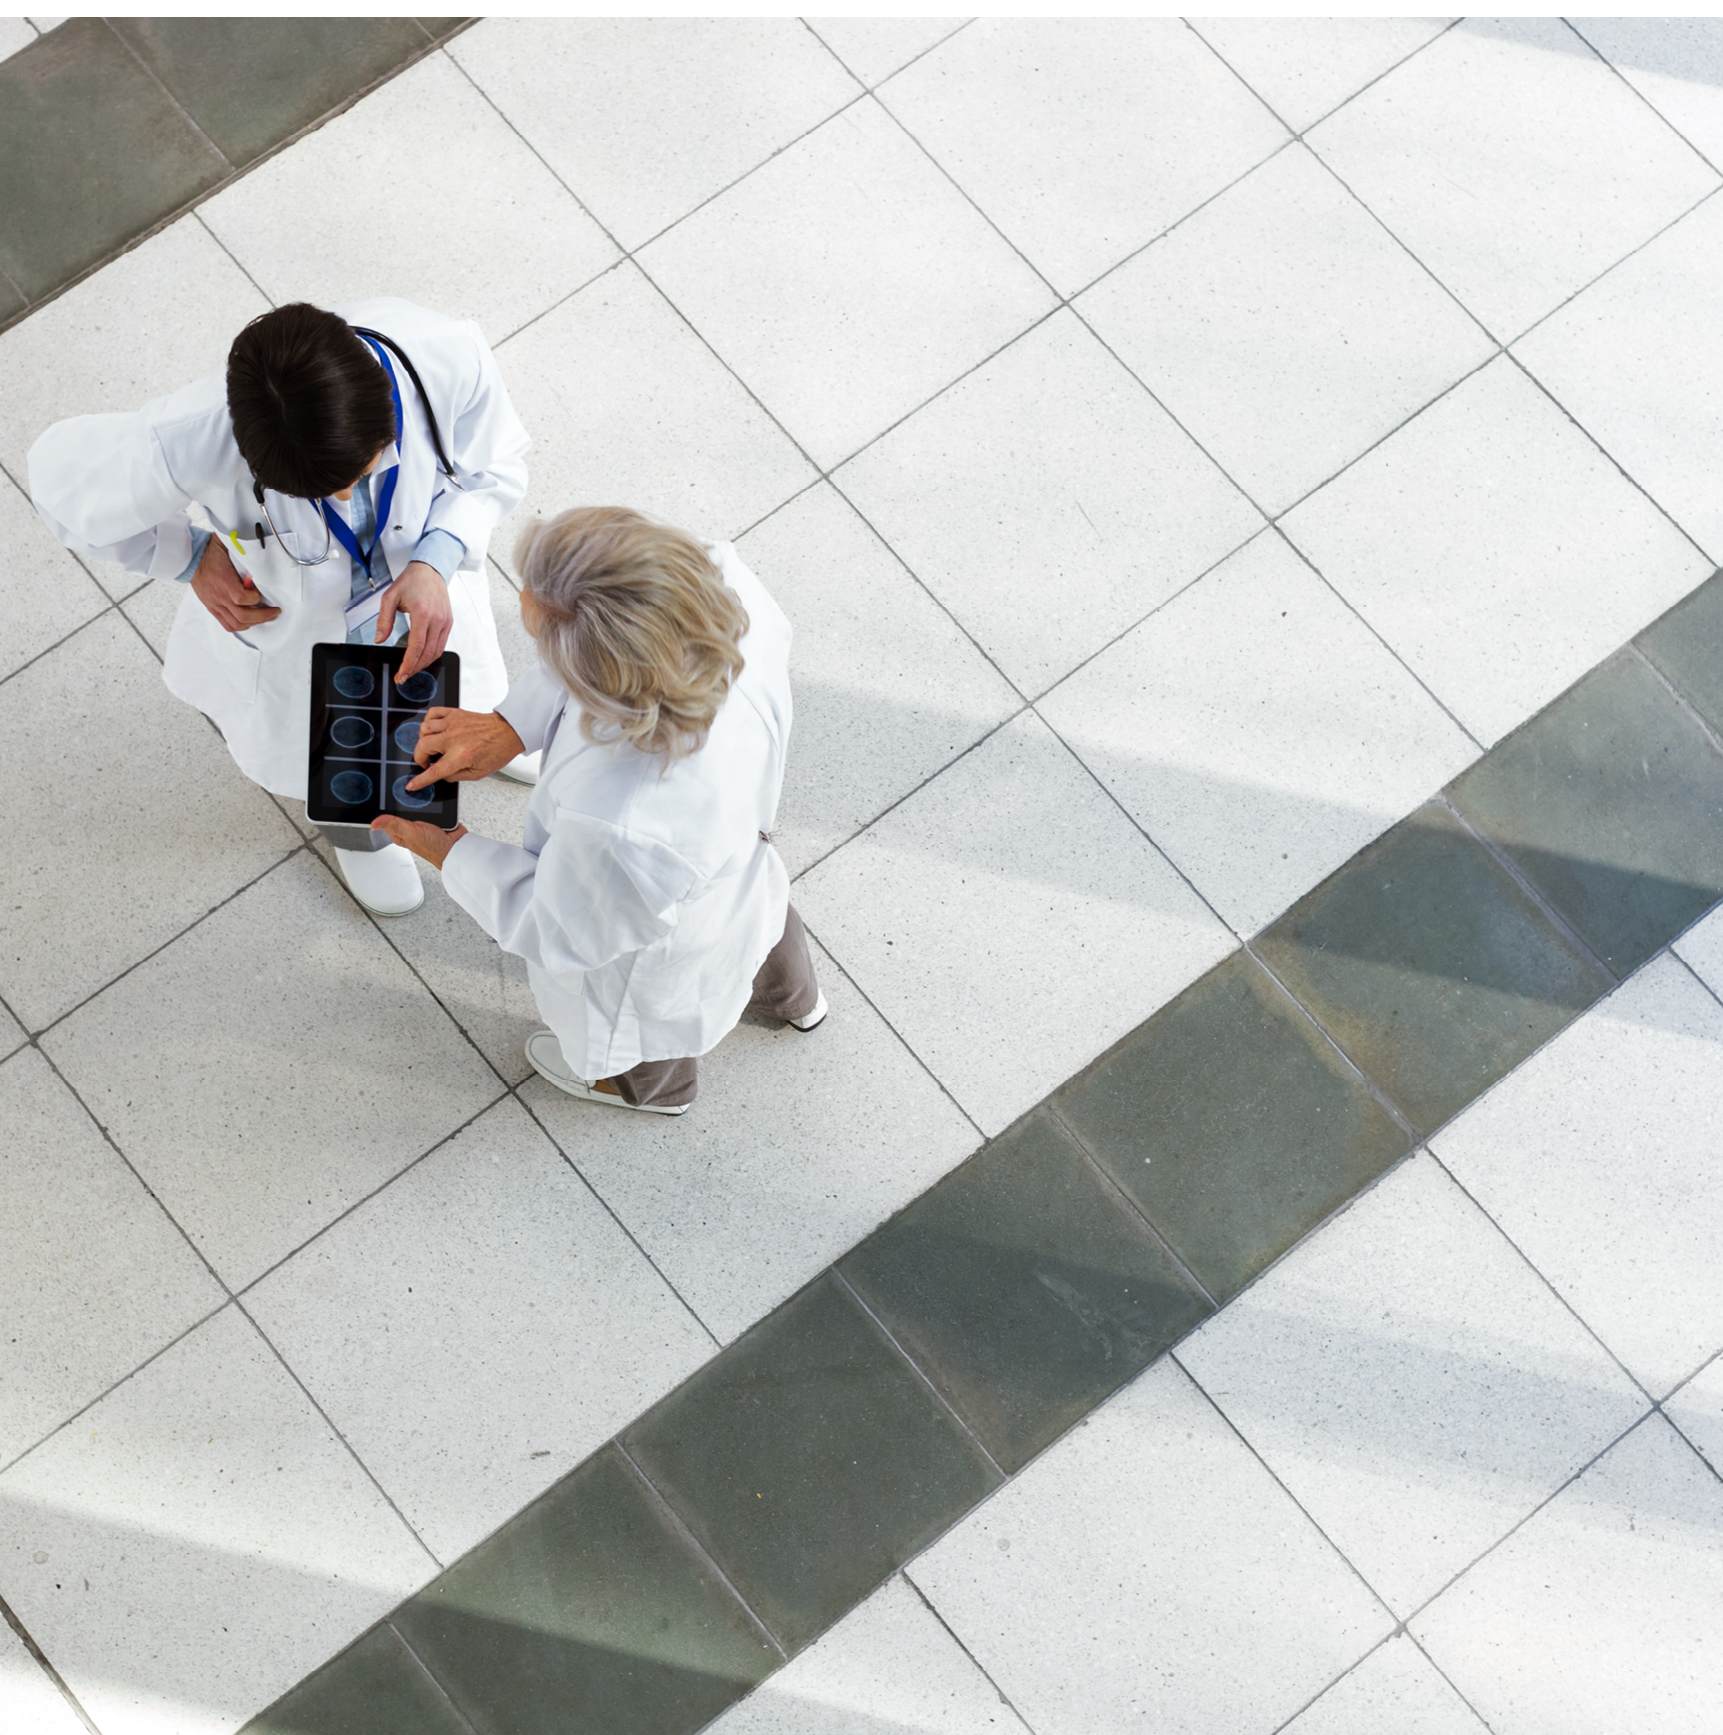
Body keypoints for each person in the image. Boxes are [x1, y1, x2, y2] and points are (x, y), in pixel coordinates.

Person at [27, 298, 533, 917]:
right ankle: (362, 835)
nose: (346, 497)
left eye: (364, 470)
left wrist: (438, 554)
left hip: (426, 587)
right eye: (318, 493)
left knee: (460, 687)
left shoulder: (442, 355)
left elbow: (494, 463)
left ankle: (500, 735)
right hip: (298, 630)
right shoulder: (187, 434)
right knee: (327, 752)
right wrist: (186, 556)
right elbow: (61, 485)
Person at [372, 506, 826, 1114]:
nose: (526, 606)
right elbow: (613, 642)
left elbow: (561, 927)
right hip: (744, 866)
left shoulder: (626, 817)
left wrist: (448, 849)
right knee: (762, 926)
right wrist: (512, 725)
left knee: (647, 1019)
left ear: (602, 678)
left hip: (655, 949)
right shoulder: (720, 583)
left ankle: (655, 1091)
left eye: (543, 641)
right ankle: (797, 1001)